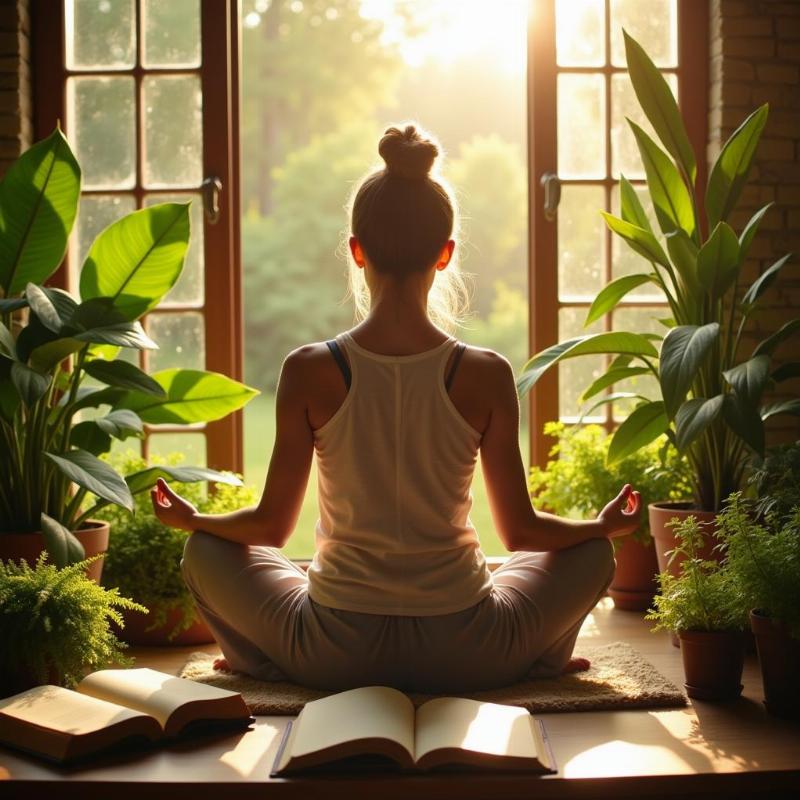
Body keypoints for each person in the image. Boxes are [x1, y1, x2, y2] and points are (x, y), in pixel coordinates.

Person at [151, 124, 641, 693]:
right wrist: (598, 526)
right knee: (590, 556)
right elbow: (520, 532)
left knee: (205, 552)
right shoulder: (485, 373)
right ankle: (544, 661)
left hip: (330, 653)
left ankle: (258, 664)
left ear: (356, 251)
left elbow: (272, 528)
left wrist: (193, 520)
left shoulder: (309, 368)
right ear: (446, 253)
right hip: (471, 650)